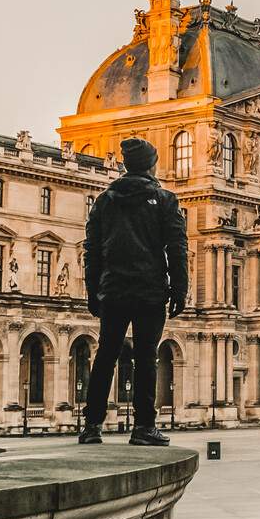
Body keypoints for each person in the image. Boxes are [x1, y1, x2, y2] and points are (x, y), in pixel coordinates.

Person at [81, 138, 187, 445]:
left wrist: (93, 290)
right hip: (150, 290)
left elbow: (92, 250)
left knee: (105, 356)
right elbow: (177, 248)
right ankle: (143, 427)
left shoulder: (104, 200)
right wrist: (180, 289)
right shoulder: (165, 200)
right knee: (145, 358)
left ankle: (91, 425)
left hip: (113, 289)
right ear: (151, 165)